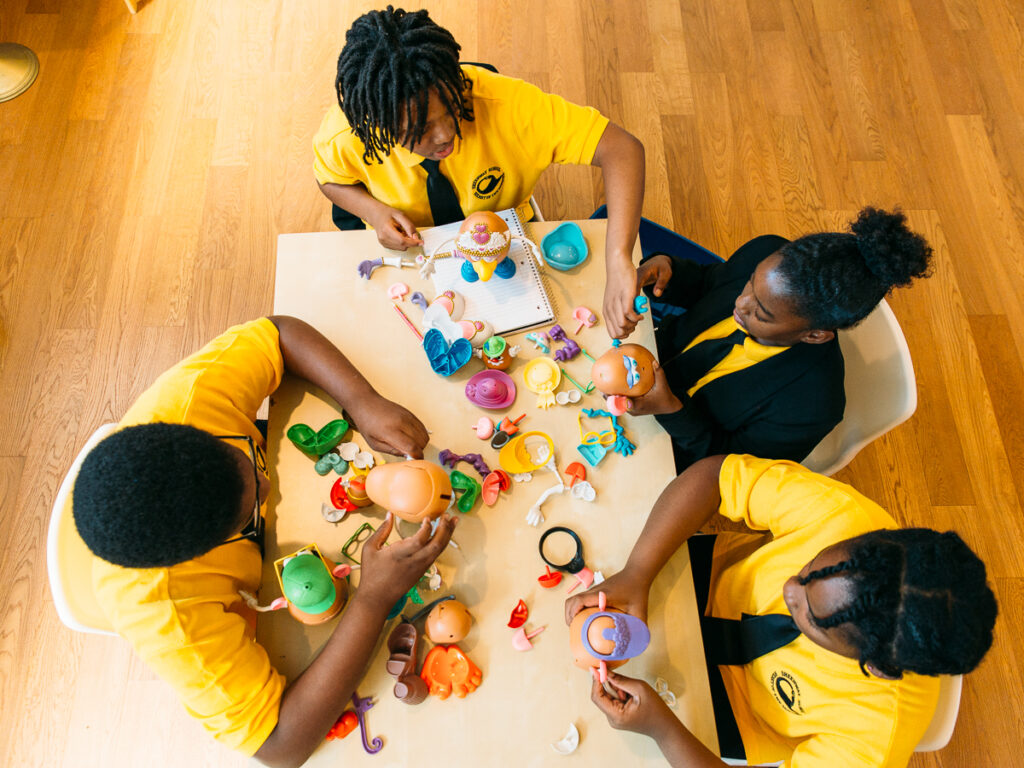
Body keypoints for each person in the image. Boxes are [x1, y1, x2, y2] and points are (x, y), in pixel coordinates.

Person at [71, 316, 457, 767]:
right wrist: (373, 599)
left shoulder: (188, 401)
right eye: (247, 508)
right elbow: (279, 747)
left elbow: (278, 334)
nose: (268, 487)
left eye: (246, 466)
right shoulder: (166, 613)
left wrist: (361, 400)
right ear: (197, 553)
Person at [565, 455, 997, 768]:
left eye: (811, 618)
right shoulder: (842, 516)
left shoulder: (874, 739)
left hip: (728, 716)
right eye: (810, 571)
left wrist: (662, 728)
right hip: (702, 581)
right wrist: (639, 572)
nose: (790, 588)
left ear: (877, 668)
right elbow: (715, 477)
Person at [312, 6, 646, 338]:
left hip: (507, 249)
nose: (446, 136)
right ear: (380, 126)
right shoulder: (347, 136)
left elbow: (622, 149)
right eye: (421, 128)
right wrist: (374, 210)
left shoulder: (509, 106)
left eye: (451, 109)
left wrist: (618, 259)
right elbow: (329, 178)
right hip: (412, 260)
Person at [630, 207, 933, 469]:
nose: (741, 303)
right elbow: (711, 283)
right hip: (646, 356)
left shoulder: (810, 409)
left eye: (761, 314)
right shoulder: (764, 251)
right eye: (750, 284)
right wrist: (671, 272)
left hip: (671, 448)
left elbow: (727, 468)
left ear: (814, 335)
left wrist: (671, 409)